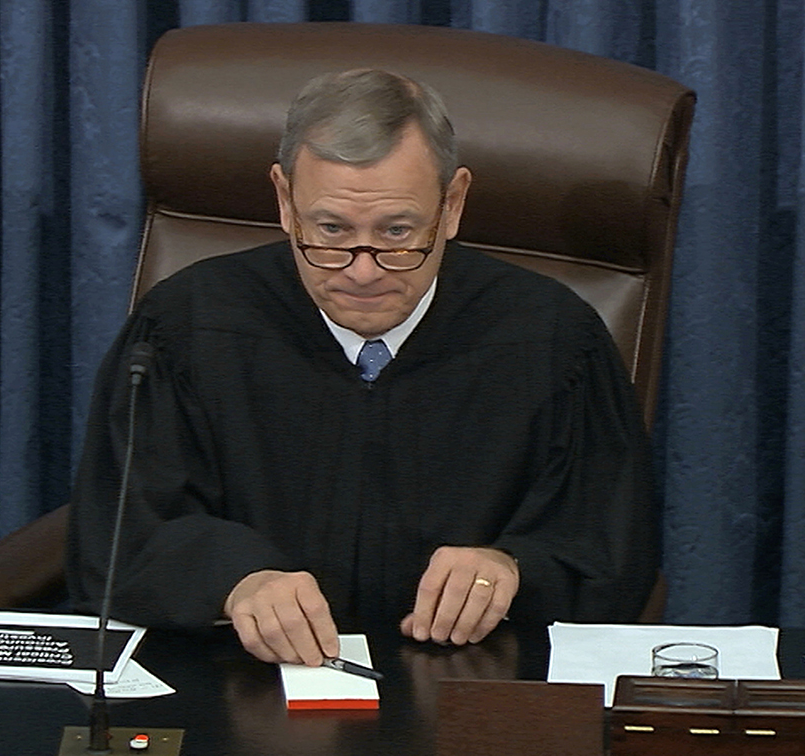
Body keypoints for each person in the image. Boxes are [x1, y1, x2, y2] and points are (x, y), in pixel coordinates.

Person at [67, 68, 658, 667]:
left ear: (452, 206)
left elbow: (611, 547)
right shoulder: (186, 326)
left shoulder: (552, 339)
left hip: (470, 685)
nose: (363, 271)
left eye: (398, 233)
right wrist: (234, 579)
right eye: (330, 230)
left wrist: (513, 568)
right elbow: (119, 535)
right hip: (245, 678)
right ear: (283, 199)